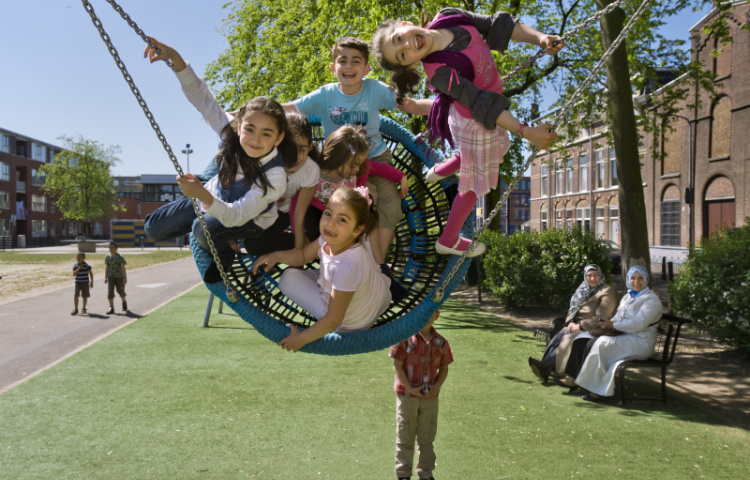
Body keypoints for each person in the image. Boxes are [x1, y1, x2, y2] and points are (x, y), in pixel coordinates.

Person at [371, 8, 563, 257]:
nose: (408, 44)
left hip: (468, 113)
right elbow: (481, 102)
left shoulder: (449, 16)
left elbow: (497, 26)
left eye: (399, 38)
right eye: (403, 54)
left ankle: (441, 170)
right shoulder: (440, 72)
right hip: (474, 121)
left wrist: (539, 37)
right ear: (411, 63)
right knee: (475, 181)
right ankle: (448, 240)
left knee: (482, 154)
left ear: (404, 23)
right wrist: (527, 132)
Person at [142, 39, 297, 283]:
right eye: (250, 129)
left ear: (278, 138)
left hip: (249, 220)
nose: (255, 140)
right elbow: (203, 100)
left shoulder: (275, 175)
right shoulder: (231, 132)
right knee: (153, 227)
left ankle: (225, 254)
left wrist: (201, 195)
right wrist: (177, 59)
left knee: (200, 229)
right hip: (215, 194)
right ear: (239, 126)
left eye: (266, 134)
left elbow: (236, 216)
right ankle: (210, 218)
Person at [282, 36, 432, 264]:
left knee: (389, 204)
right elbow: (289, 108)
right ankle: (345, 261)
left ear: (367, 68)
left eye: (356, 61)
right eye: (343, 61)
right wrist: (242, 114)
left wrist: (449, 106)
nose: (349, 66)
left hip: (375, 156)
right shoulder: (325, 95)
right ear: (333, 68)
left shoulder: (374, 89)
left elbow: (409, 105)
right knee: (354, 208)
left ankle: (378, 265)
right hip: (341, 164)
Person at [253, 186, 392, 352]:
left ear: (357, 230)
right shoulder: (330, 238)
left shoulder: (347, 267)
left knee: (287, 279)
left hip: (351, 323)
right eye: (328, 213)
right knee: (356, 266)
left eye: (342, 220)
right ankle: (369, 275)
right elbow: (304, 255)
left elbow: (333, 319)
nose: (331, 223)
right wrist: (277, 256)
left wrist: (301, 339)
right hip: (380, 294)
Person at [304, 125, 409, 265]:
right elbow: (298, 202)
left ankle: (378, 263)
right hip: (324, 216)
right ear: (337, 159)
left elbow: (378, 168)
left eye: (359, 164)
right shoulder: (315, 174)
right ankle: (334, 261)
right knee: (316, 229)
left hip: (348, 219)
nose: (358, 169)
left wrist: (401, 177)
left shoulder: (354, 173)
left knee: (370, 211)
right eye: (353, 165)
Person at [556, 266, 663, 401]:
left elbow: (639, 324)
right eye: (633, 278)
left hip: (640, 342)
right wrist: (605, 325)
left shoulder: (651, 300)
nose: (636, 282)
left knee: (601, 344)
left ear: (646, 280)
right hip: (624, 335)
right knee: (582, 339)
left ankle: (596, 391)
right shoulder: (627, 296)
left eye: (640, 278)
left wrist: (614, 325)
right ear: (628, 280)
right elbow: (617, 317)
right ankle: (573, 378)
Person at [243, 112, 322, 255]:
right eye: (290, 148)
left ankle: (306, 244)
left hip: (286, 211)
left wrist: (299, 256)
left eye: (302, 149)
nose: (295, 156)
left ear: (310, 147)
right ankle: (299, 243)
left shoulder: (311, 169)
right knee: (252, 244)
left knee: (317, 235)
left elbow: (299, 214)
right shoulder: (264, 162)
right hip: (264, 210)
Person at [389, 309, 452, 480]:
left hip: (430, 398)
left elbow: (444, 368)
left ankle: (425, 472)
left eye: (431, 312)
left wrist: (437, 387)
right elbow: (397, 365)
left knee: (427, 437)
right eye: (422, 312)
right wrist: (409, 388)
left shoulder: (441, 342)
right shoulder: (404, 338)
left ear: (437, 315)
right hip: (407, 397)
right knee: (405, 436)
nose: (427, 316)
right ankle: (403, 473)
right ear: (415, 314)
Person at [527, 264, 618, 383]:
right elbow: (573, 309)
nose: (592, 278)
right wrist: (570, 323)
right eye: (589, 275)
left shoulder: (607, 291)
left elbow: (602, 317)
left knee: (566, 337)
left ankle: (548, 368)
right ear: (585, 277)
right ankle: (546, 366)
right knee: (560, 334)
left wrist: (580, 326)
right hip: (576, 325)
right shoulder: (583, 288)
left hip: (593, 328)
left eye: (596, 275)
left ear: (600, 275)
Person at [104, 242, 128, 314]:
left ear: (116, 248)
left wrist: (125, 278)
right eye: (110, 247)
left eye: (113, 248)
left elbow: (123, 267)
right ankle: (111, 307)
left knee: (120, 291)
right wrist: (105, 277)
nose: (111, 249)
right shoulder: (107, 256)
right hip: (111, 276)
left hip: (119, 277)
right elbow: (107, 267)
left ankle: (124, 301)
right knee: (110, 292)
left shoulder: (119, 256)